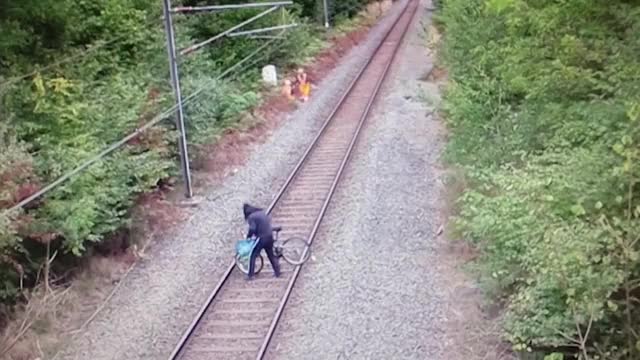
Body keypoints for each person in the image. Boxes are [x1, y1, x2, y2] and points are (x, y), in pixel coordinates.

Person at [243, 203, 281, 280]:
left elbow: (252, 229)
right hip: (270, 236)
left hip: (261, 237)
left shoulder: (251, 217)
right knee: (271, 255)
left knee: (252, 255)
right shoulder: (262, 213)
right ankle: (277, 272)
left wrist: (249, 237)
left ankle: (250, 275)